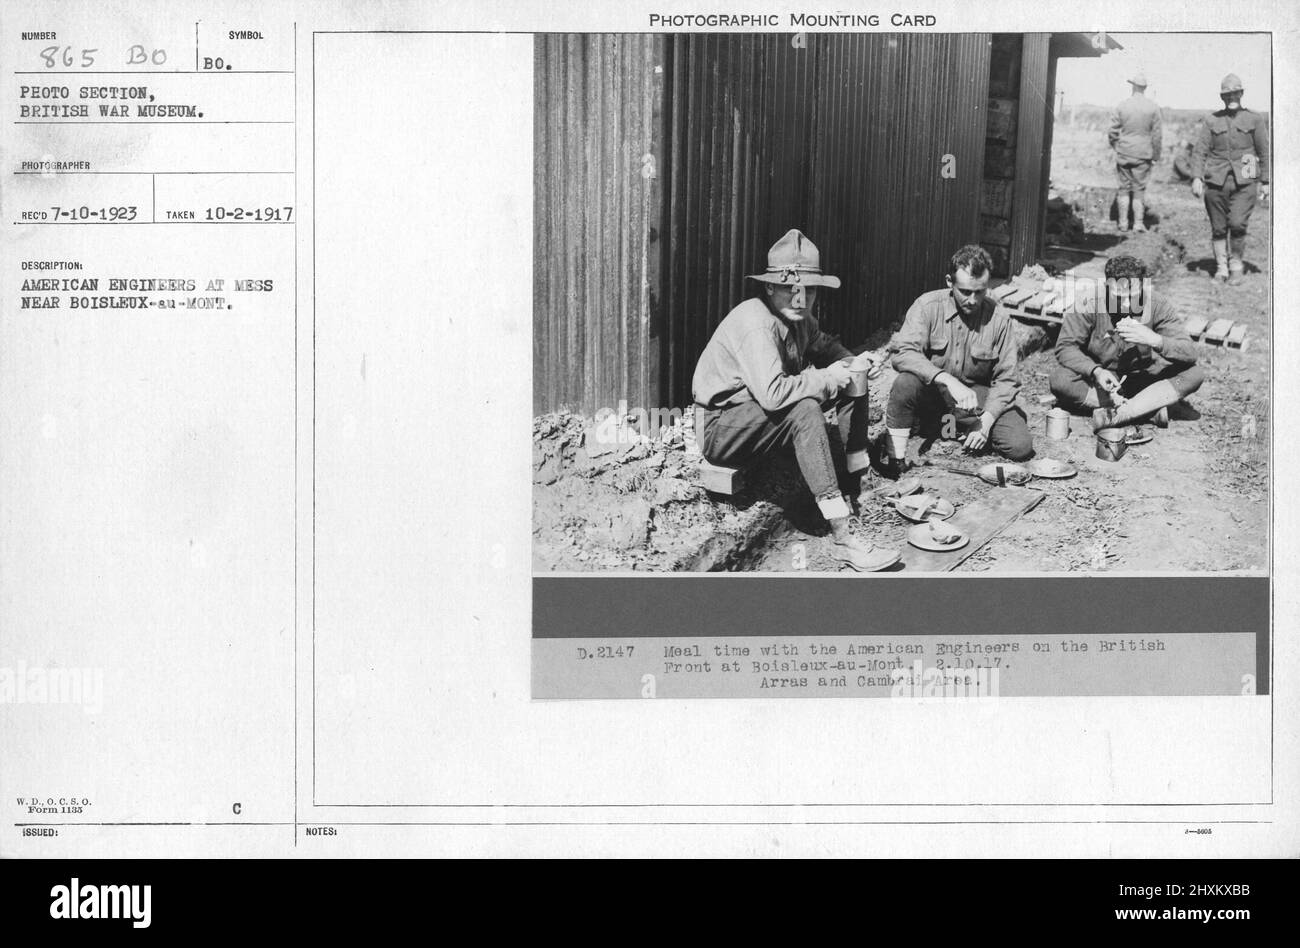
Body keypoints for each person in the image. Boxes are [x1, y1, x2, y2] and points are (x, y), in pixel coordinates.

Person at [692, 229, 900, 572]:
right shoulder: (756, 324)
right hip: (722, 428)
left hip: (760, 420)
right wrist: (827, 378)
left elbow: (825, 345)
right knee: (805, 409)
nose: (801, 300)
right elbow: (774, 395)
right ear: (770, 287)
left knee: (852, 377)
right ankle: (843, 536)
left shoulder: (799, 316)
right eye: (791, 290)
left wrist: (851, 363)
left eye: (809, 291)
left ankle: (854, 484)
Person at [881, 244, 1033, 472]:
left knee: (1020, 446)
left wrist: (986, 423)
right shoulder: (927, 306)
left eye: (980, 292)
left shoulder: (999, 319)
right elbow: (902, 353)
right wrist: (947, 380)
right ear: (949, 282)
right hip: (934, 393)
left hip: (975, 399)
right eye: (965, 291)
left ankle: (957, 429)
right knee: (905, 383)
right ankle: (897, 460)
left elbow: (1007, 379)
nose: (973, 300)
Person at [1050, 254, 1204, 431]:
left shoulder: (1157, 304)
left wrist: (1154, 339)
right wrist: (1096, 371)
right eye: (1117, 296)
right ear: (1106, 285)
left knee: (1194, 374)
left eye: (1132, 296)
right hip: (1103, 382)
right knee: (1060, 380)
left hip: (1144, 378)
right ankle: (1146, 409)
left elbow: (1190, 352)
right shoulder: (1088, 302)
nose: (1124, 304)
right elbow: (1065, 347)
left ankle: (1121, 413)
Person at [1190, 73, 1270, 285]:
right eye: (1227, 94)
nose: (1231, 97)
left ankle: (1236, 265)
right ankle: (1221, 268)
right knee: (1218, 228)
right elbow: (1200, 151)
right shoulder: (1211, 120)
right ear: (1222, 97)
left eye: (1235, 93)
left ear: (1241, 93)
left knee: (1237, 223)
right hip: (1216, 182)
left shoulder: (1255, 119)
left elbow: (1264, 152)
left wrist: (1266, 181)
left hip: (1245, 182)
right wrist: (1197, 177)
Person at [1108, 70, 1162, 233]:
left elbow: (1112, 131)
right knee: (1139, 189)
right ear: (1144, 88)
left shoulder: (1122, 105)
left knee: (1124, 188)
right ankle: (1138, 223)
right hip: (1143, 155)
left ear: (1133, 86)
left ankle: (1123, 223)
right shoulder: (1153, 108)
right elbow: (1157, 135)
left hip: (1124, 152)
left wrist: (1117, 146)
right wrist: (1156, 155)